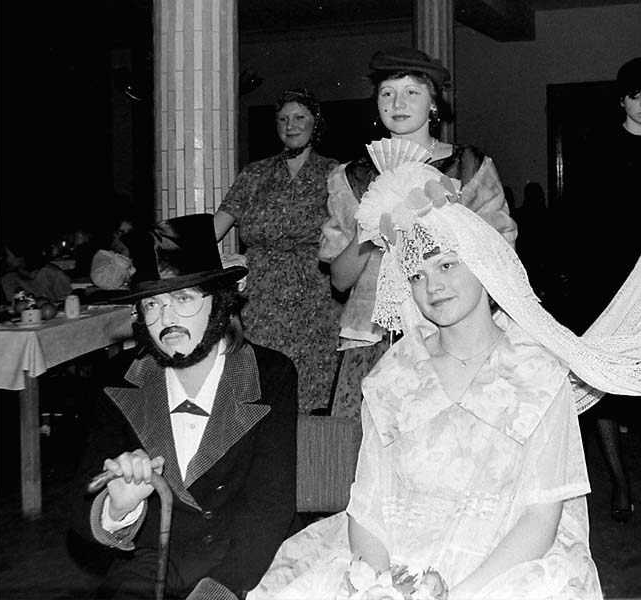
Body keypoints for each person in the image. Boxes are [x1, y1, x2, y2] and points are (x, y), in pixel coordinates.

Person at [251, 162, 600, 600]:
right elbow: (368, 509)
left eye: (448, 265)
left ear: (483, 263)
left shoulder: (539, 370)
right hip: (396, 562)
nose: (433, 286)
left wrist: (459, 594)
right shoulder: (395, 374)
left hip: (504, 569)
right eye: (417, 275)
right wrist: (382, 587)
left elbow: (541, 519)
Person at [74, 214, 299, 600]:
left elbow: (269, 509)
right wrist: (118, 508)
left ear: (220, 301)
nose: (167, 319)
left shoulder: (270, 375)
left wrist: (218, 591)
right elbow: (81, 511)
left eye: (183, 299)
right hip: (154, 562)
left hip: (246, 565)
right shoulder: (117, 380)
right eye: (152, 304)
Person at [320, 47, 516, 418]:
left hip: (453, 334)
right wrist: (373, 228)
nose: (398, 103)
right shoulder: (351, 177)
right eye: (387, 93)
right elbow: (340, 281)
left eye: (412, 91)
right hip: (373, 338)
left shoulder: (469, 167)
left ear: (433, 103)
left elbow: (500, 257)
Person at [559, 57, 641, 524]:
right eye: (635, 95)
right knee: (603, 381)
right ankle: (619, 481)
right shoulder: (596, 147)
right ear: (621, 100)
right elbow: (577, 217)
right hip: (603, 278)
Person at [215, 88, 341, 412]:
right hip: (260, 296)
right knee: (261, 382)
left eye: (299, 117)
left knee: (312, 386)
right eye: (283, 119)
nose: (291, 125)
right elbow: (215, 228)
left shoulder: (334, 173)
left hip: (314, 295)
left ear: (315, 123)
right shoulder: (254, 174)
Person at [0, 233, 73, 304]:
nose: (4, 259)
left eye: (7, 255)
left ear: (20, 256)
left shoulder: (52, 275)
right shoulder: (9, 279)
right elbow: (14, 304)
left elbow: (68, 302)